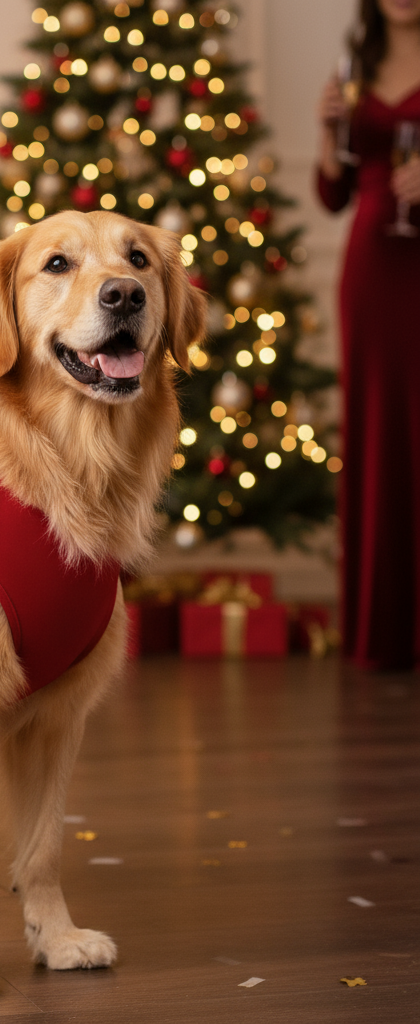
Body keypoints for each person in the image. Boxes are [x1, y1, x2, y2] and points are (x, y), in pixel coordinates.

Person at [316, 0, 420, 671]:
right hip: (370, 268)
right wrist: (328, 136)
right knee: (379, 431)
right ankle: (382, 631)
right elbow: (333, 194)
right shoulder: (354, 69)